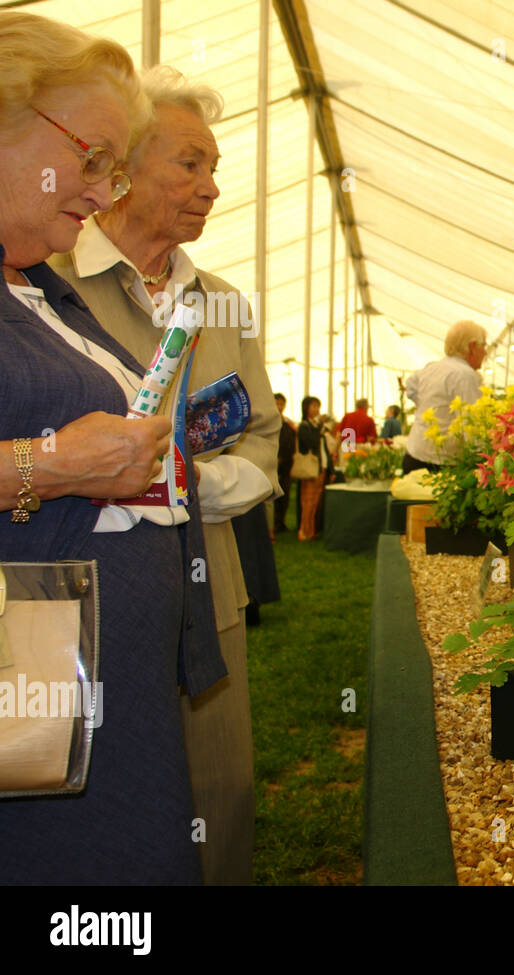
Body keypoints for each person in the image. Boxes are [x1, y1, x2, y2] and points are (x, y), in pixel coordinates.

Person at [0, 11, 224, 883]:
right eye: (91, 158)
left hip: (96, 708)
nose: (102, 191)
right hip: (28, 705)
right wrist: (53, 465)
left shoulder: (40, 285)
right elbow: (54, 454)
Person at [48, 65, 278, 885]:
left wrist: (195, 482)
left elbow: (261, 440)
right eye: (191, 163)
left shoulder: (224, 305)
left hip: (207, 591)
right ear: (123, 165)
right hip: (83, 599)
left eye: (215, 168)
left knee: (221, 791)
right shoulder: (48, 281)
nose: (212, 187)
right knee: (93, 797)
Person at [403, 320, 488, 473]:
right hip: (439, 464)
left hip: (414, 455)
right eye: (484, 346)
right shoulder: (464, 375)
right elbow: (473, 427)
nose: (485, 352)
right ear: (472, 347)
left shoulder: (432, 368)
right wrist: (485, 461)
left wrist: (429, 408)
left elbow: (410, 386)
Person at [297, 396, 328, 541]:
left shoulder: (315, 426)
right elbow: (312, 443)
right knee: (308, 500)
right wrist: (319, 427)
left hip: (320, 466)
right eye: (313, 406)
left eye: (318, 406)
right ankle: (304, 530)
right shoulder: (304, 426)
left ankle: (311, 530)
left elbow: (323, 447)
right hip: (310, 466)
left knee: (315, 500)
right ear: (306, 408)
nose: (316, 410)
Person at [274, 392, 296, 534]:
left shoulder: (287, 424)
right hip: (273, 464)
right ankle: (273, 524)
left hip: (287, 465)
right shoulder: (269, 423)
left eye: (281, 403)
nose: (279, 406)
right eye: (277, 403)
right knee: (273, 496)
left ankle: (281, 522)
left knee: (285, 495)